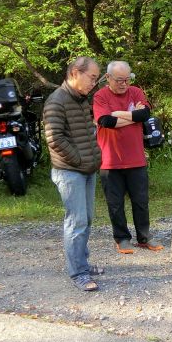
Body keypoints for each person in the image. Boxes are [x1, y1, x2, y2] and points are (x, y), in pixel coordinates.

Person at [43, 56, 103, 292]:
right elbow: (54, 139)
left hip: (86, 169)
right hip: (70, 172)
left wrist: (93, 157)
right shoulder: (56, 100)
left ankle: (82, 263)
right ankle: (78, 273)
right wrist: (79, 160)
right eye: (92, 78)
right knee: (76, 222)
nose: (93, 84)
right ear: (76, 72)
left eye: (96, 79)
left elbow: (87, 133)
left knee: (85, 219)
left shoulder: (80, 99)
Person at [93, 60, 163, 255]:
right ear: (108, 78)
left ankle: (144, 237)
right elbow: (106, 121)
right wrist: (132, 115)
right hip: (110, 161)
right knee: (115, 204)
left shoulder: (136, 91)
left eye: (127, 79)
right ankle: (122, 238)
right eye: (119, 80)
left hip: (136, 158)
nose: (124, 84)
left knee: (141, 201)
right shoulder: (100, 96)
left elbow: (145, 114)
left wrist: (119, 114)